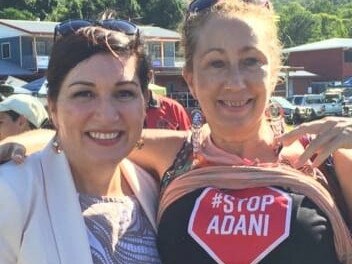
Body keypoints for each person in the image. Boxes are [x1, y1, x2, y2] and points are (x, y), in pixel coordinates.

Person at [1, 1, 352, 263]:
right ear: (190, 79)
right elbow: (88, 137)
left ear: (275, 72)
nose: (234, 81)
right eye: (215, 63)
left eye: (251, 61)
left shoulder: (328, 158)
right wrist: (15, 145)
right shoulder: (176, 155)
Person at [0, 20, 161, 263]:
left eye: (124, 93)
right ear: (52, 106)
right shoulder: (12, 192)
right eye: (84, 93)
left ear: (144, 101)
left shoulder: (152, 188)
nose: (107, 115)